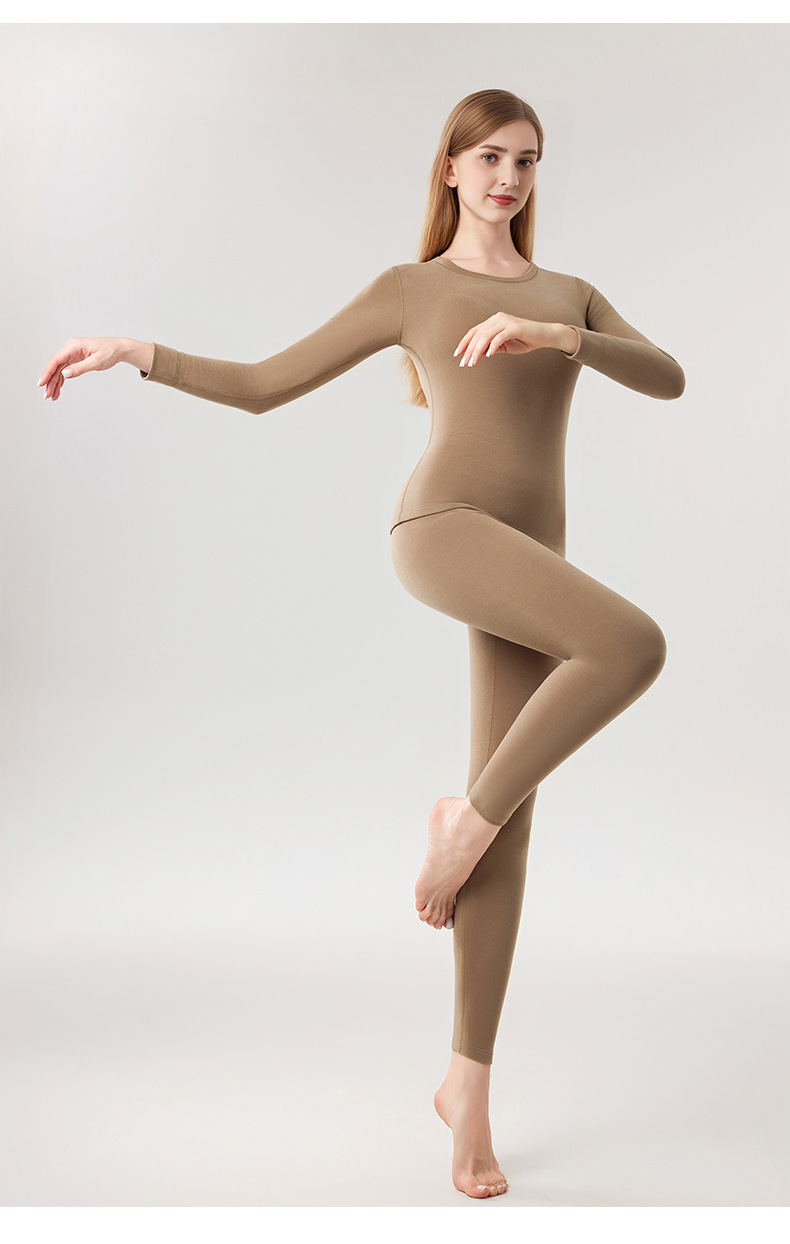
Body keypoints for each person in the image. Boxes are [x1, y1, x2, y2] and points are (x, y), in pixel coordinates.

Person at [37, 87, 685, 1200]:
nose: (509, 179)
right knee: (630, 646)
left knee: (512, 822)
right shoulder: (411, 288)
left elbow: (665, 375)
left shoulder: (565, 294)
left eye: (527, 160)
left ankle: (466, 1090)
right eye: (490, 157)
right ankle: (460, 821)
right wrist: (135, 349)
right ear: (450, 168)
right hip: (443, 526)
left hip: (530, 552)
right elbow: (262, 386)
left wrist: (557, 333)